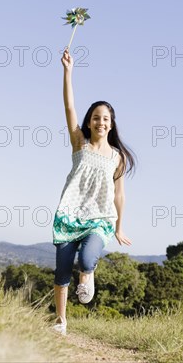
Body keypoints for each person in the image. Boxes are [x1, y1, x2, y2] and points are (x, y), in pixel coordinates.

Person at [51, 47, 137, 336]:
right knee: (62, 273)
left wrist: (119, 226)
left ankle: (88, 275)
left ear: (111, 125)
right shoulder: (79, 143)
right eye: (97, 118)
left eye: (106, 119)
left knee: (86, 259)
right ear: (89, 121)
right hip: (69, 215)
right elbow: (68, 107)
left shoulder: (117, 157)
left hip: (100, 219)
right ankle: (61, 322)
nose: (101, 122)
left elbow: (119, 195)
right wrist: (67, 72)